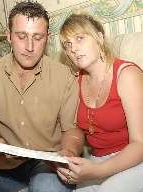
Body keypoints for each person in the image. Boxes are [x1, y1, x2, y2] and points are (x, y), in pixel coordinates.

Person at [0, 2, 84, 192]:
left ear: (47, 38)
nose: (29, 47)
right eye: (21, 36)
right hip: (4, 165)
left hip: (48, 165)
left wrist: (69, 151)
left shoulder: (65, 77)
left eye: (38, 37)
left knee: (46, 187)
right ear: (9, 36)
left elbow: (72, 130)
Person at [57, 13, 143, 192]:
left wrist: (96, 171)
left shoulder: (127, 75)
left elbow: (140, 144)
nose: (73, 49)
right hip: (98, 159)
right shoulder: (75, 81)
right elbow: (75, 130)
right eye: (68, 44)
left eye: (80, 38)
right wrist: (68, 152)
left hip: (134, 159)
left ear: (100, 37)